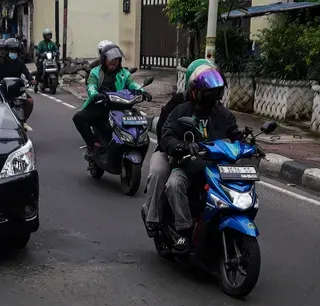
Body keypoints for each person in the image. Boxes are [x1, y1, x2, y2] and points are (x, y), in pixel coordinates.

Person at [159, 64, 240, 252]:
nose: (212, 97)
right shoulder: (181, 111)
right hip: (188, 166)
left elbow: (236, 136)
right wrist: (183, 146)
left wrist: (249, 145)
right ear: (196, 92)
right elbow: (167, 136)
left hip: (217, 170)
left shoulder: (224, 115)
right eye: (207, 92)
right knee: (173, 184)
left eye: (215, 92)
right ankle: (183, 231)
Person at [144, 57, 214, 232]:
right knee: (159, 172)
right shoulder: (177, 103)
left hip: (204, 156)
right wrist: (176, 147)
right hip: (172, 152)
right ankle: (153, 218)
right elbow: (163, 131)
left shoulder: (215, 107)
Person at [73, 42, 147, 153]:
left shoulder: (124, 73)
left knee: (139, 124)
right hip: (102, 106)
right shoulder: (95, 72)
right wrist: (95, 94)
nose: (114, 63)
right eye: (111, 61)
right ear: (104, 60)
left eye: (116, 61)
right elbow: (91, 86)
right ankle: (93, 143)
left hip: (121, 105)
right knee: (78, 117)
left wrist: (142, 91)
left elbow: (132, 84)